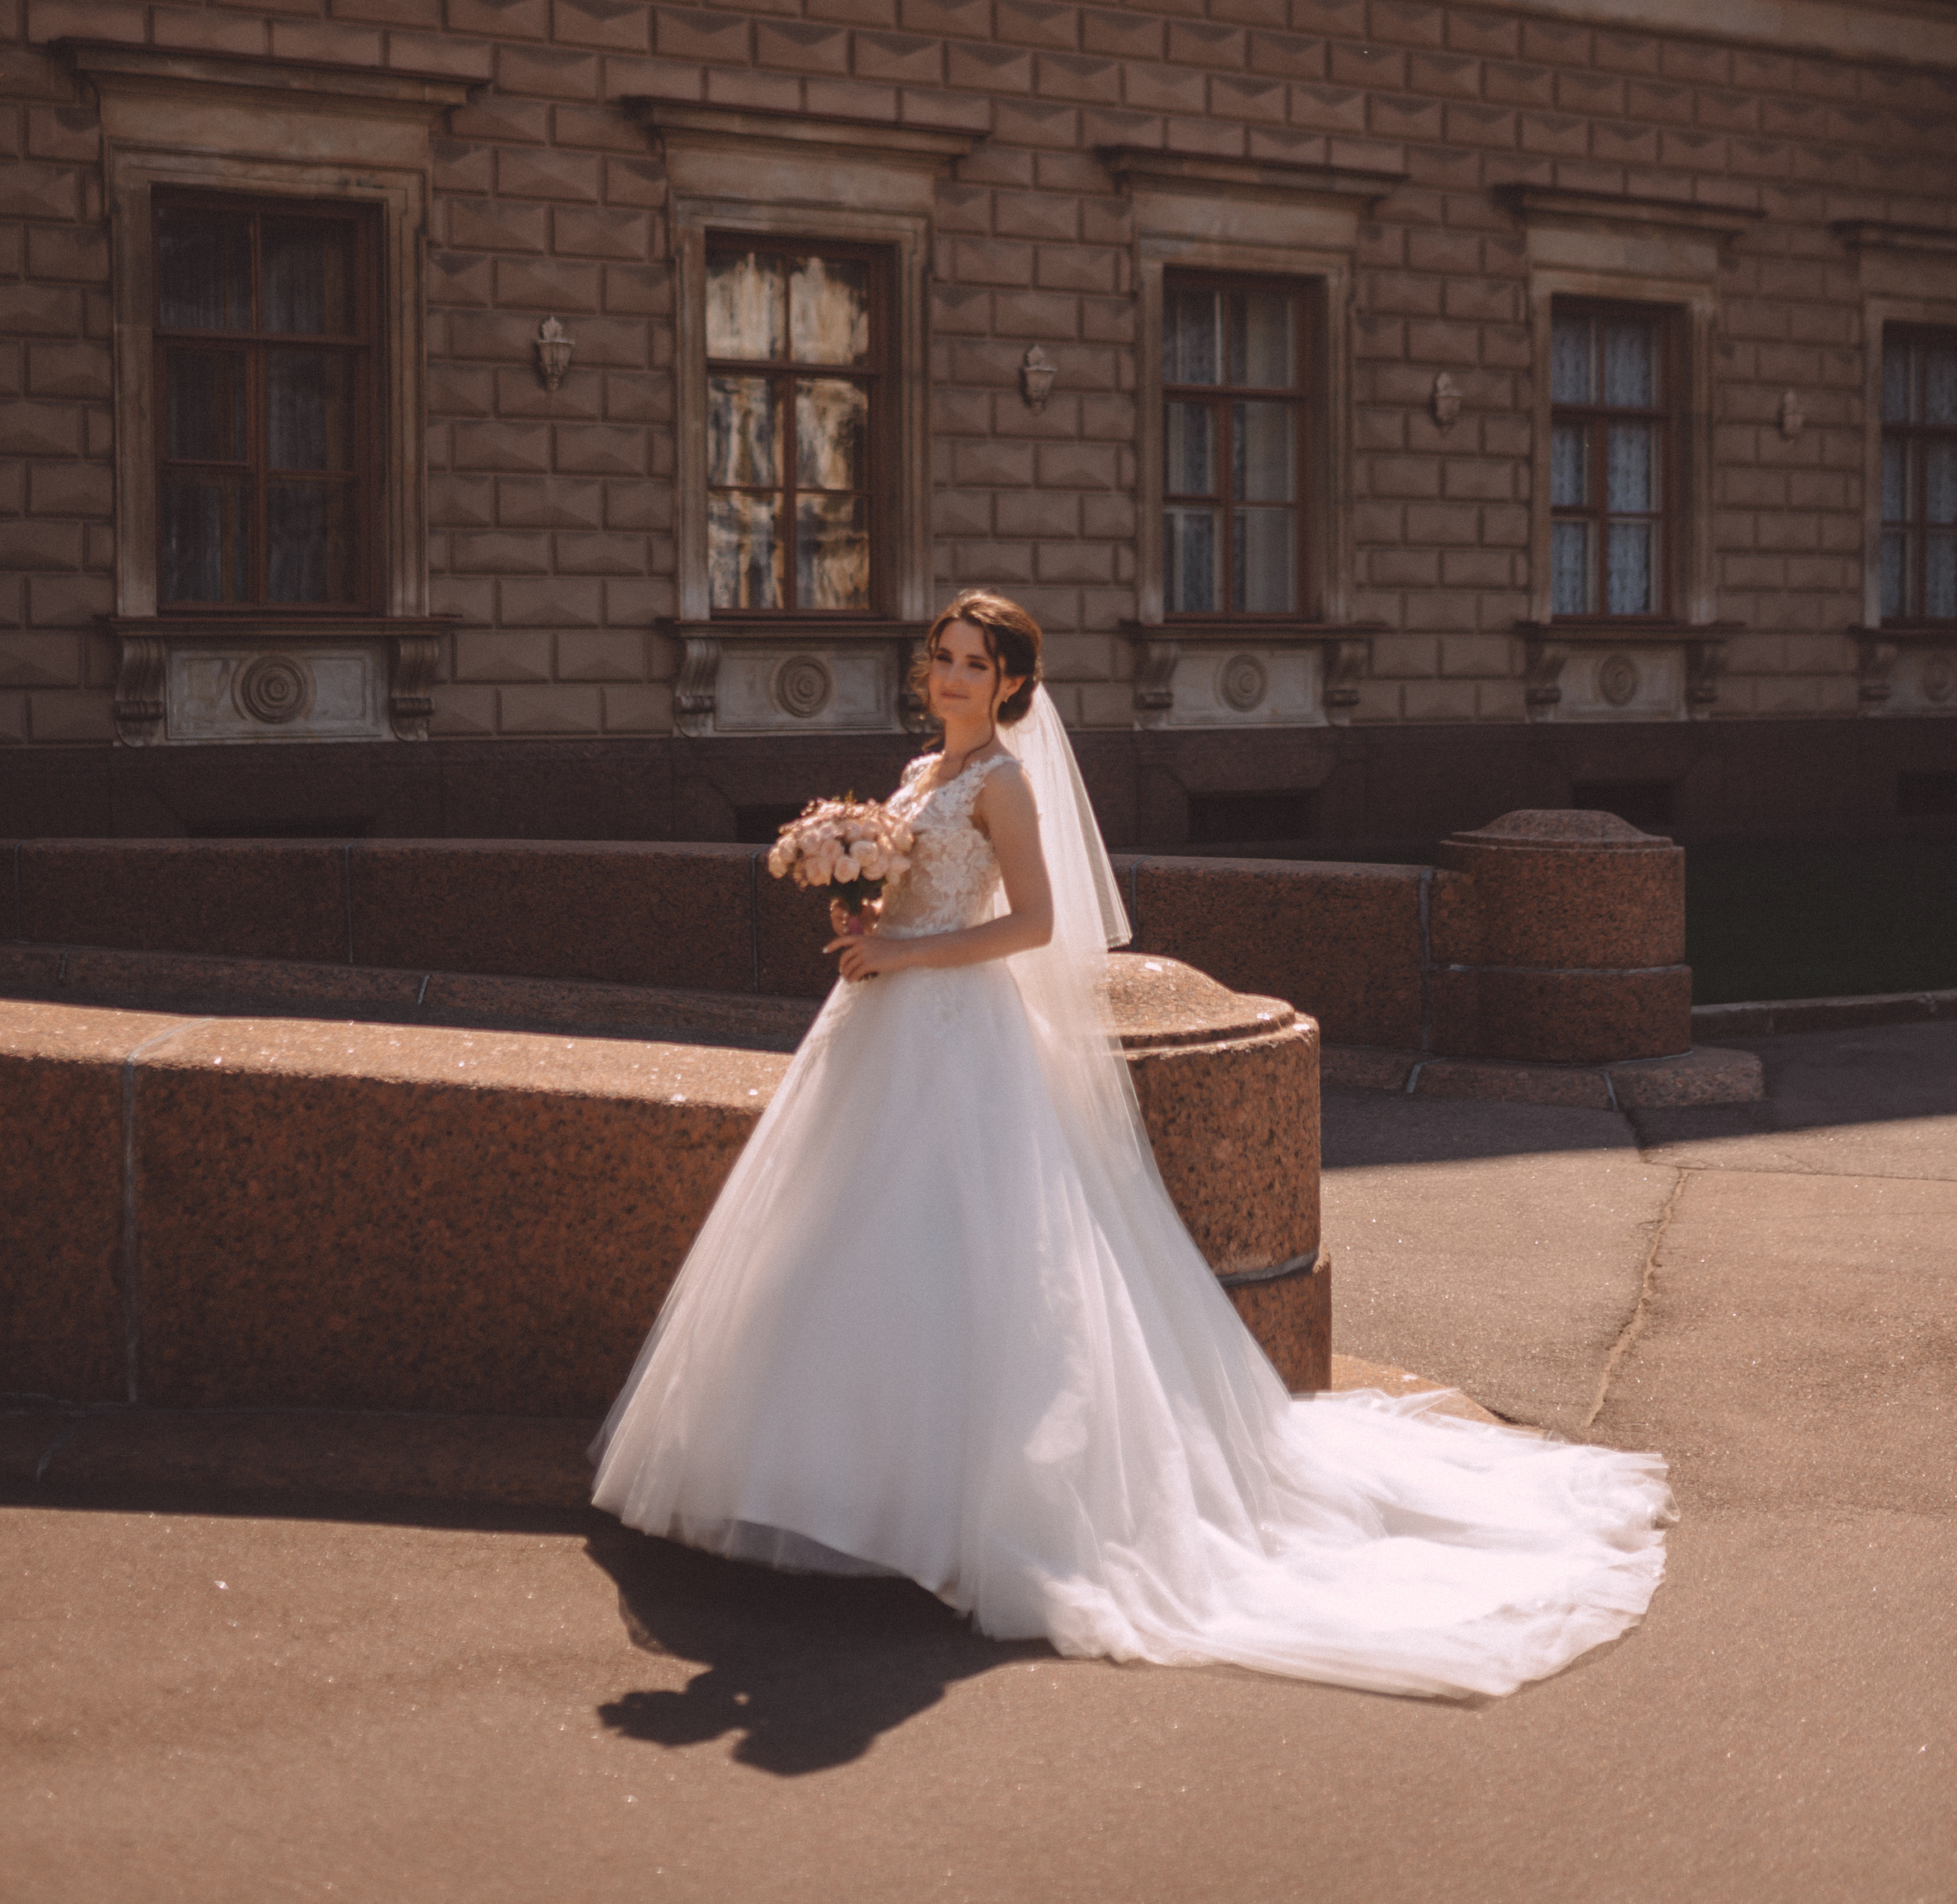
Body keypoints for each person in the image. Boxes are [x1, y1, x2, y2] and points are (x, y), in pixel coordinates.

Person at [591, 591, 1673, 1697]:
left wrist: (910, 957)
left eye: (975, 663)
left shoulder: (1003, 781)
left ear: (1013, 682)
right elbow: (917, 893)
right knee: (842, 1242)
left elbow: (1036, 926)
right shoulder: (919, 779)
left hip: (962, 1038)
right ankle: (845, 1497)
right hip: (880, 1029)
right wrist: (866, 917)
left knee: (968, 1256)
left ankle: (968, 1514)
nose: (953, 677)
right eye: (943, 658)